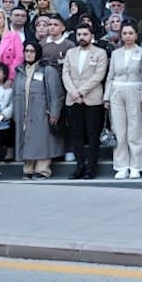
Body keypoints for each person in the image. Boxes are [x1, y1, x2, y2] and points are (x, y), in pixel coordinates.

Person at [61, 25, 109, 181]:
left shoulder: (100, 53)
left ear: (92, 35)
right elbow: (65, 74)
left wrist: (81, 91)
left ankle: (91, 168)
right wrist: (74, 92)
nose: (82, 37)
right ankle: (79, 166)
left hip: (92, 98)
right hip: (72, 98)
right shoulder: (70, 53)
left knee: (93, 134)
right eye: (79, 34)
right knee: (76, 134)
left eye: (85, 34)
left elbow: (99, 75)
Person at [104, 24, 142, 179]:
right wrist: (106, 97)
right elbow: (110, 75)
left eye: (131, 33)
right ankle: (121, 166)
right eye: (125, 33)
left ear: (136, 35)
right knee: (119, 130)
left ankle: (136, 165)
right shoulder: (116, 53)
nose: (128, 36)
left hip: (135, 89)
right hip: (117, 90)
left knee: (135, 129)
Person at [14, 42, 64, 180]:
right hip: (23, 111)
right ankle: (28, 168)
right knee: (27, 139)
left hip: (41, 111)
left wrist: (54, 112)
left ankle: (43, 170)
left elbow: (56, 94)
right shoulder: (20, 71)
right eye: (26, 51)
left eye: (32, 51)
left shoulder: (47, 70)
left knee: (42, 140)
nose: (29, 54)